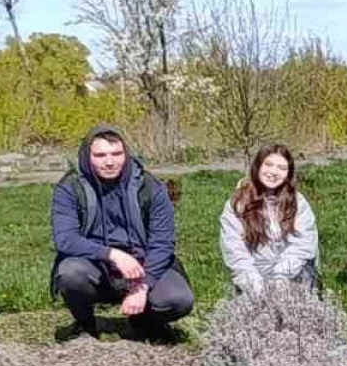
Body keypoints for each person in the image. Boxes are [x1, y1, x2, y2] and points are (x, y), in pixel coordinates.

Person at [50, 125, 194, 338]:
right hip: (95, 265)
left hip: (143, 265)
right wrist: (112, 254)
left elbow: (163, 243)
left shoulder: (150, 187)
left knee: (179, 299)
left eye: (117, 154)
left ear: (126, 154)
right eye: (100, 155)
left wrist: (143, 285)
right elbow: (66, 239)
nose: (109, 161)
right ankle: (85, 324)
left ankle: (143, 321)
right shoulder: (70, 187)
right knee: (70, 273)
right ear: (87, 156)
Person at [219, 144, 319, 295]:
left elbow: (302, 246)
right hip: (252, 277)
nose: (273, 172)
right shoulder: (237, 204)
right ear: (258, 166)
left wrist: (279, 279)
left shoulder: (298, 203)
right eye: (269, 165)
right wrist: (256, 287)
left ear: (288, 174)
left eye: (281, 168)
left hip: (292, 274)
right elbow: (235, 251)